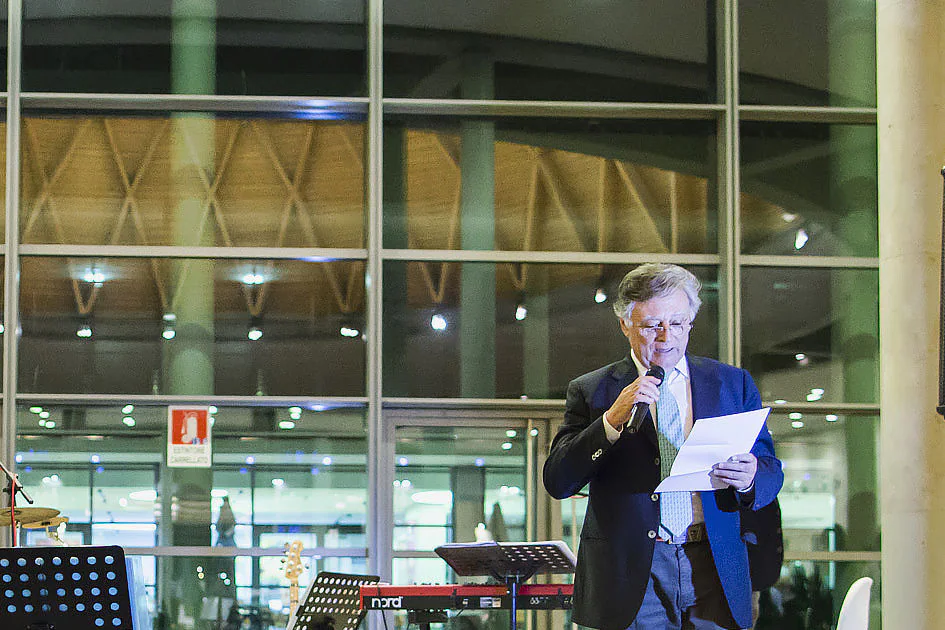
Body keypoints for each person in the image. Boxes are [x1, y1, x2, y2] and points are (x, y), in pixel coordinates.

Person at [543, 263, 783, 630]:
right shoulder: (593, 390)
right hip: (633, 569)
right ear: (626, 324)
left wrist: (750, 477)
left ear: (691, 321)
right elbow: (559, 481)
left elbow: (770, 469)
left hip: (714, 561)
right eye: (652, 324)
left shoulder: (732, 383)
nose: (666, 336)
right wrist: (609, 422)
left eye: (679, 322)